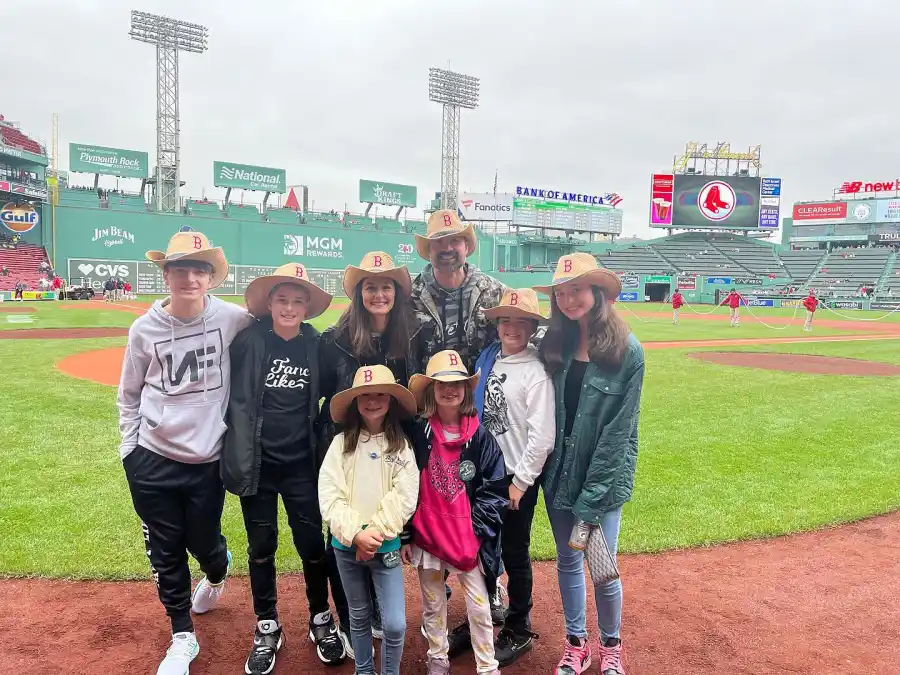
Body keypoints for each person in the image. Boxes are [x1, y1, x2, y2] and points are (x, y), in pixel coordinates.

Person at [116, 232, 253, 675]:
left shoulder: (233, 319)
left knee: (204, 543)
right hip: (152, 458)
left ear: (211, 277)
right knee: (165, 549)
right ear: (166, 274)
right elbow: (129, 394)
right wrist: (129, 451)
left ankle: (217, 568)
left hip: (206, 461)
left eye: (199, 269)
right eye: (180, 269)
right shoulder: (144, 329)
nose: (189, 277)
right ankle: (181, 635)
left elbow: (278, 329)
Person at [221, 263, 349, 673]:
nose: (289, 307)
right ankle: (267, 623)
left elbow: (334, 394)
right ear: (270, 303)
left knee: (312, 547)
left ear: (307, 306)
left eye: (297, 301)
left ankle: (320, 617)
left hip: (301, 465)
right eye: (282, 299)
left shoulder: (316, 345)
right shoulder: (249, 341)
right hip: (258, 464)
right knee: (261, 549)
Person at [534, 253, 644, 675]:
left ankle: (612, 646)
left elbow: (619, 433)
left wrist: (592, 499)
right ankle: (576, 642)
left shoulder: (627, 352)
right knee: (566, 559)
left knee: (602, 566)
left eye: (575, 290)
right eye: (560, 293)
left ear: (597, 293)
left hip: (602, 476)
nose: (567, 300)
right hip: (558, 473)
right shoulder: (553, 343)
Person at [318, 251, 419, 645]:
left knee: (387, 526)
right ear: (359, 293)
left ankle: (378, 609)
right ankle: (349, 617)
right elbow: (328, 400)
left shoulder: (410, 335)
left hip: (395, 446)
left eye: (386, 286)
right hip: (346, 447)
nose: (379, 294)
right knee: (342, 534)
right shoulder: (336, 340)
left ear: (396, 292)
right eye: (371, 287)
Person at [403, 350, 508, 675]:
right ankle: (438, 660)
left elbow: (494, 487)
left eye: (457, 384)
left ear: (466, 389)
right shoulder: (419, 434)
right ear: (432, 390)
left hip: (467, 538)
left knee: (478, 606)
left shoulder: (480, 436)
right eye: (442, 384)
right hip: (430, 535)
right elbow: (406, 483)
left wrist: (477, 530)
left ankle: (487, 666)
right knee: (433, 605)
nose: (450, 390)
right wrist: (407, 534)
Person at [318, 365, 420, 675]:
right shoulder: (340, 445)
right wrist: (356, 535)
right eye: (365, 395)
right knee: (358, 615)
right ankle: (364, 670)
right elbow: (330, 495)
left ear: (391, 400)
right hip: (346, 547)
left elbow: (404, 497)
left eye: (380, 395)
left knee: (394, 623)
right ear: (354, 402)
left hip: (385, 546)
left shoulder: (401, 448)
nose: (372, 401)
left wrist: (373, 535)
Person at [473, 288, 556, 667]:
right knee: (481, 544)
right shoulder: (490, 359)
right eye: (506, 320)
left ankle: (519, 626)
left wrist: (520, 482)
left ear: (532, 328)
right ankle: (487, 610)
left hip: (514, 475)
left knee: (514, 551)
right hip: (487, 472)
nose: (512, 327)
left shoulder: (534, 371)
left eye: (521, 321)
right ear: (497, 325)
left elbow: (543, 437)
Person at [410, 209, 505, 375]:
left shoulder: (494, 291)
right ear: (429, 250)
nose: (447, 248)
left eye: (455, 241)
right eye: (438, 242)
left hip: (482, 395)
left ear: (466, 247)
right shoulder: (410, 296)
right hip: (431, 396)